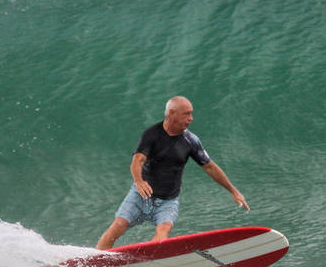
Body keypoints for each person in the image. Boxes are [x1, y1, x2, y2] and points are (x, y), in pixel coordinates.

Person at [96, 96, 249, 250]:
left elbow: (210, 167)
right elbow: (138, 160)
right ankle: (96, 258)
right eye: (186, 114)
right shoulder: (152, 134)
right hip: (141, 195)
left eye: (191, 114)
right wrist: (139, 181)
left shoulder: (191, 141)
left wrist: (233, 191)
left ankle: (146, 259)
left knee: (164, 230)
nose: (191, 118)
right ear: (171, 113)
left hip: (168, 201)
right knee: (118, 225)